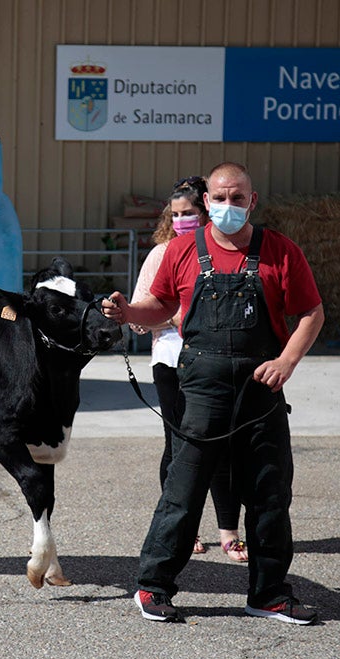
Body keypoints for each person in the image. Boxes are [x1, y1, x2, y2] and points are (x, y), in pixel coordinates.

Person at [102, 162, 324, 625]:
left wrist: (286, 362)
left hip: (262, 389)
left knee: (268, 493)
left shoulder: (281, 251)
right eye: (219, 198)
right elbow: (162, 305)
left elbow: (311, 313)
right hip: (201, 388)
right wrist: (128, 312)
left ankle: (268, 594)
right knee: (183, 492)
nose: (228, 206)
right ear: (207, 202)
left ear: (253, 201)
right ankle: (153, 588)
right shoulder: (181, 250)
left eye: (237, 198)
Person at [129, 176, 248, 563]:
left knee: (224, 445)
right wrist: (179, 317)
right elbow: (138, 315)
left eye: (189, 213)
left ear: (206, 211)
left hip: (217, 361)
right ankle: (185, 527)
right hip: (171, 360)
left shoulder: (227, 251)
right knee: (179, 445)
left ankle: (229, 531)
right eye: (175, 215)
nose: (182, 220)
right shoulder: (162, 254)